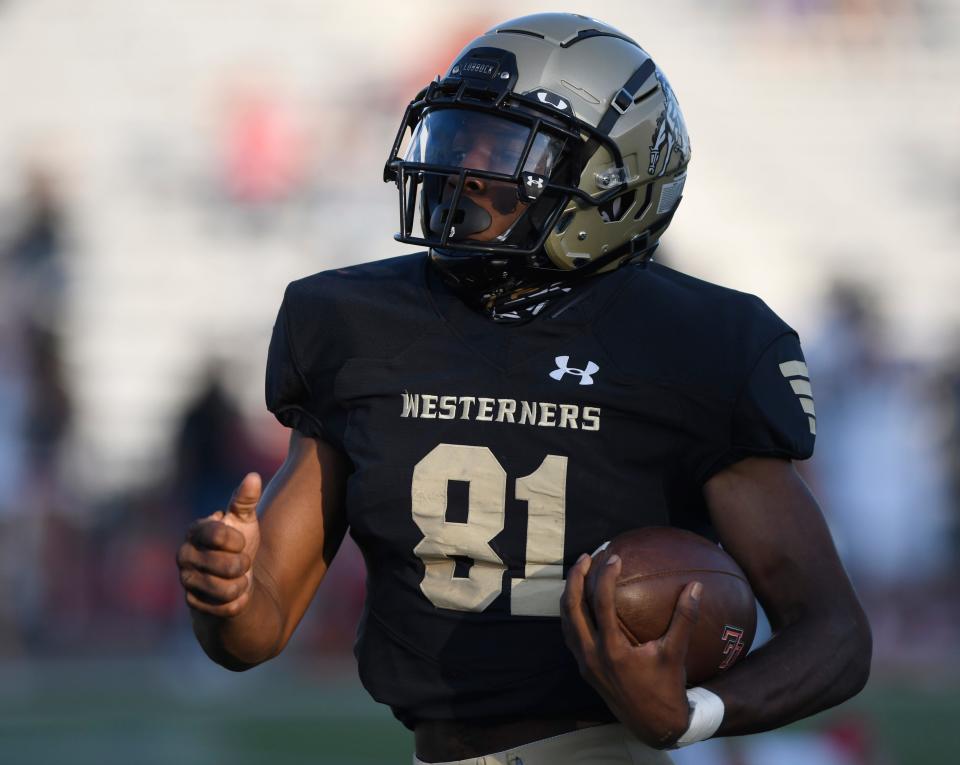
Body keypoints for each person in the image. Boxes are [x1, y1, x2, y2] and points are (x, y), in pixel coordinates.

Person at [176, 13, 871, 764]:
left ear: (609, 179)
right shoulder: (351, 320)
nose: (466, 168)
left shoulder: (698, 344)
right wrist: (228, 595)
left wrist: (693, 713)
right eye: (458, 135)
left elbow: (832, 633)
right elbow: (257, 630)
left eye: (505, 146)